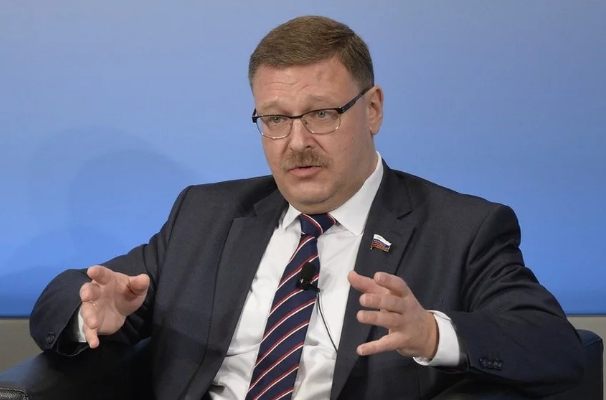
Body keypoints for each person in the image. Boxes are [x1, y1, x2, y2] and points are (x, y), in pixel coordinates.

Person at [30, 15, 583, 400]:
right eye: (275, 119)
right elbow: (72, 294)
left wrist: (432, 333)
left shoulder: (461, 230)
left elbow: (555, 345)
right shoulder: (207, 214)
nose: (296, 142)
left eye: (321, 114)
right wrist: (88, 312)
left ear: (373, 109)